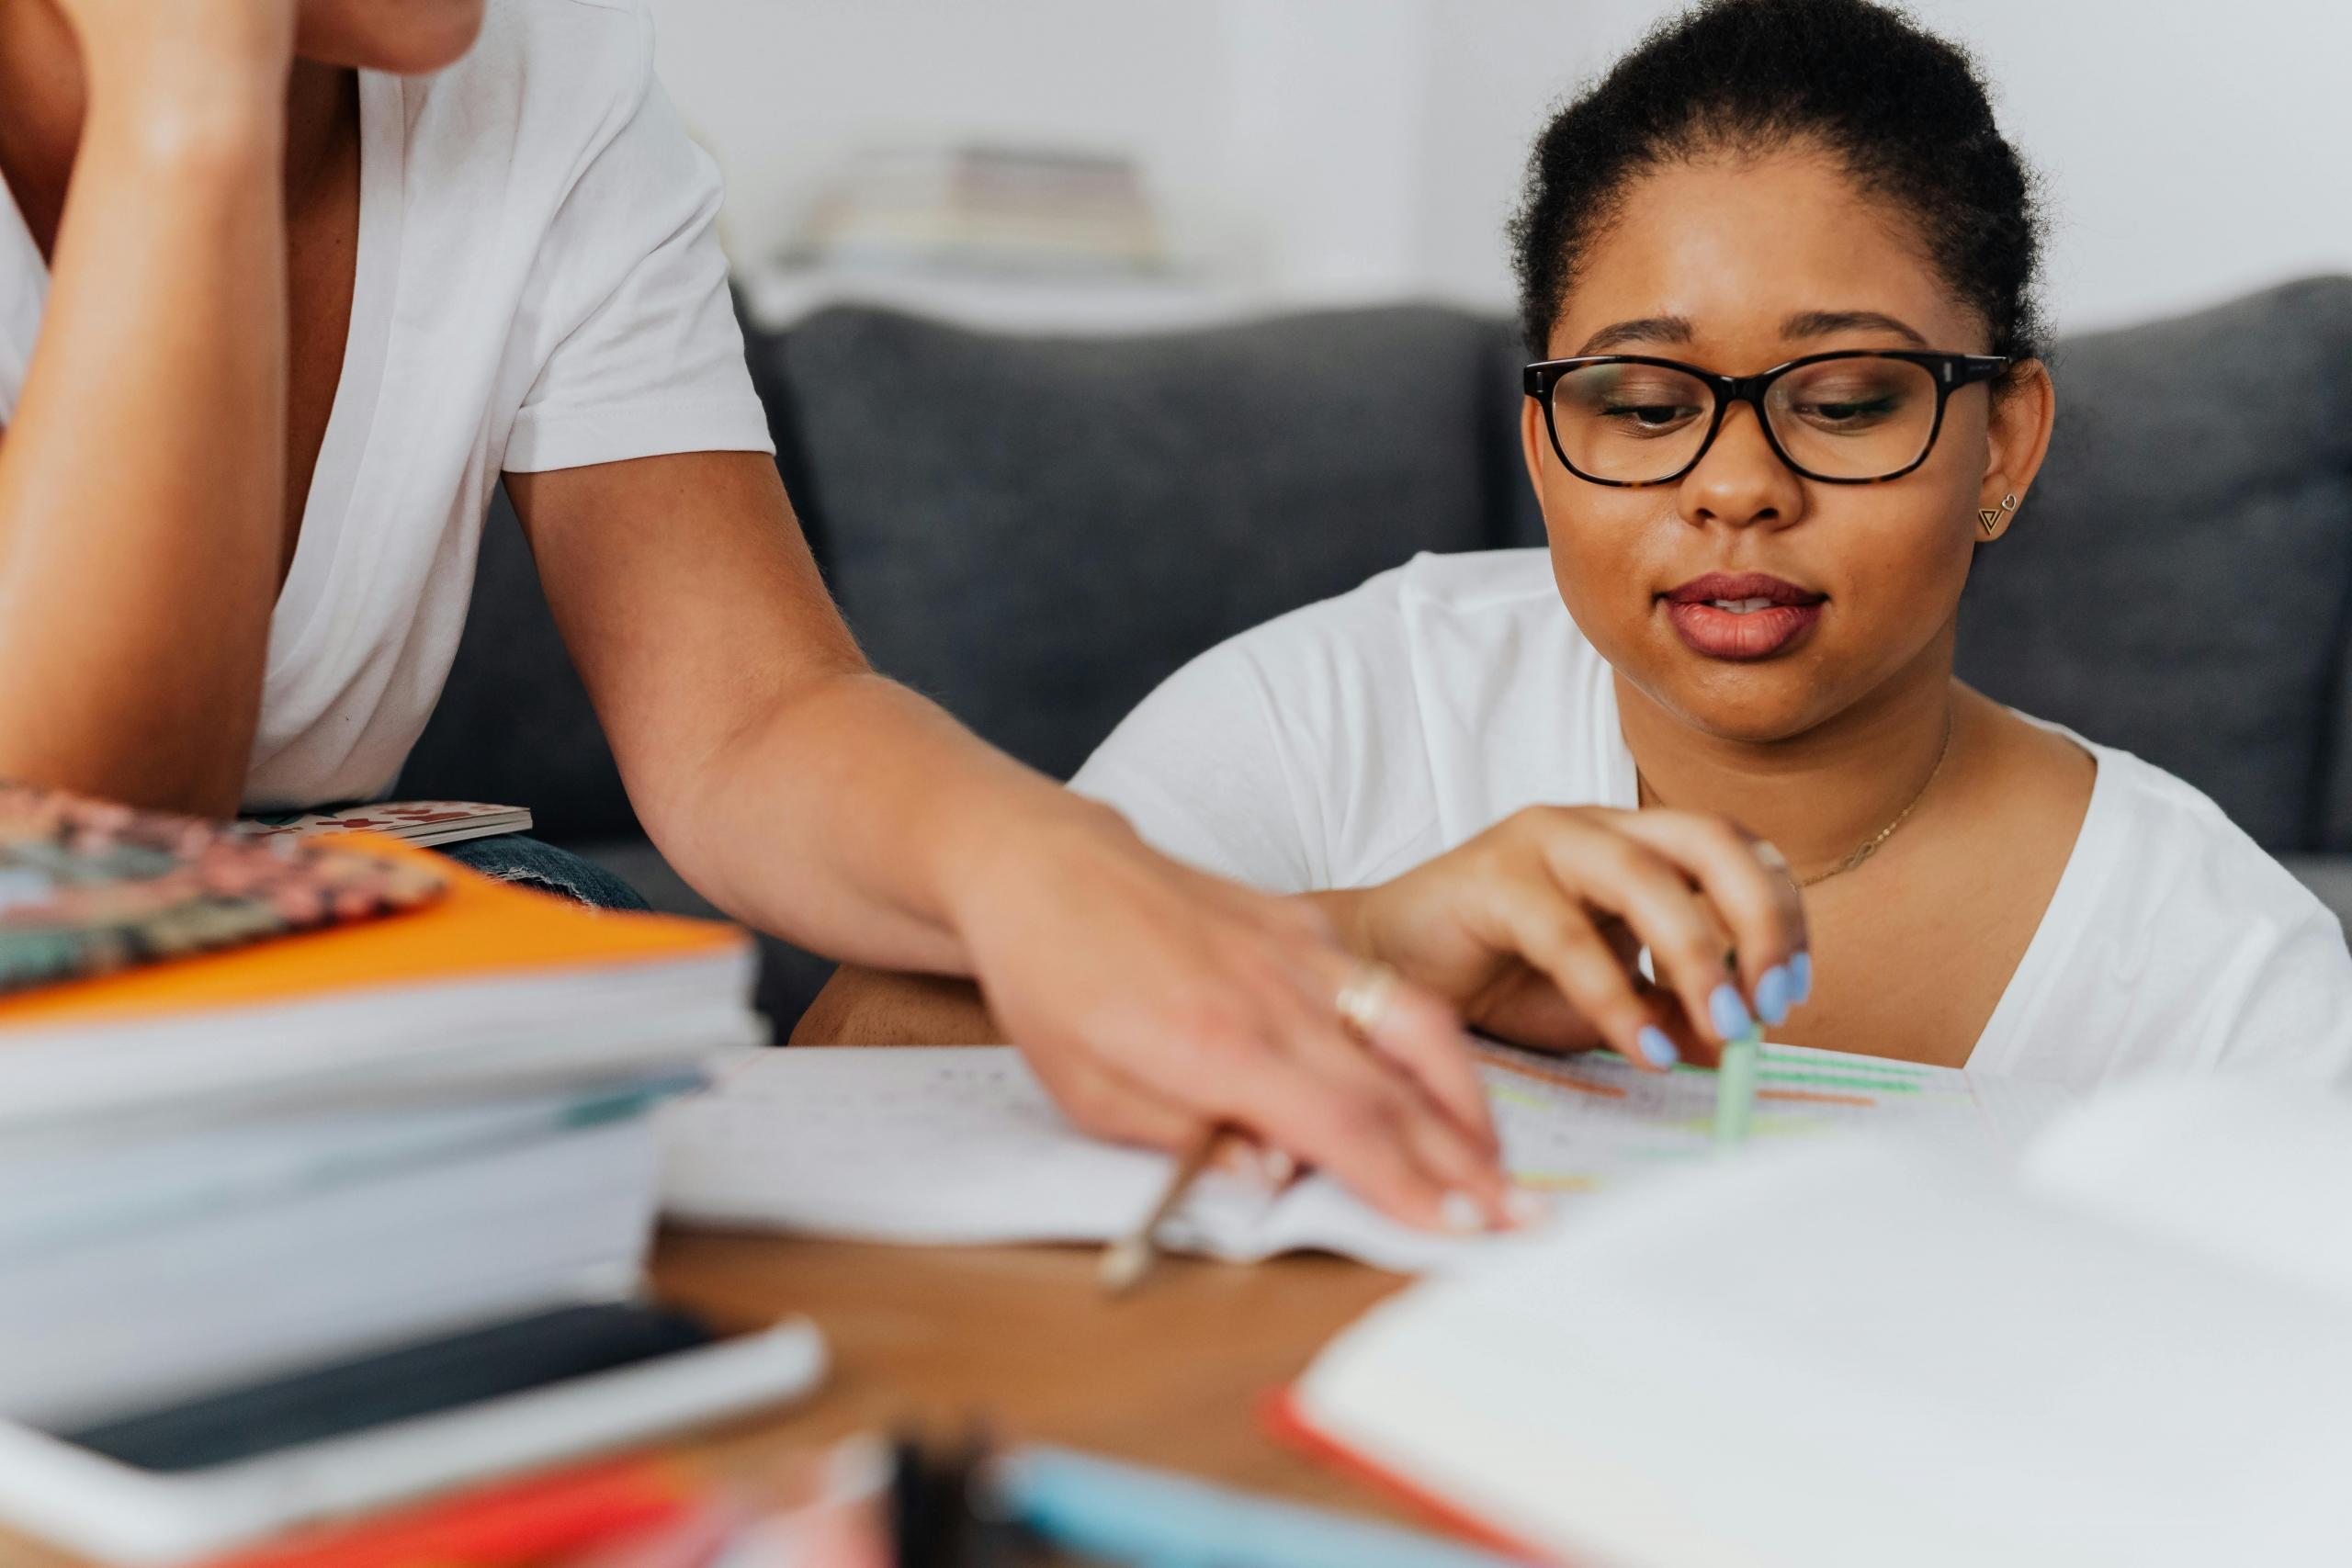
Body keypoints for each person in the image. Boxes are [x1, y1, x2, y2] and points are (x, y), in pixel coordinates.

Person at [0, 0, 1804, 1229]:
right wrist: (188, 108)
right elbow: (71, 831)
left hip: (269, 1117)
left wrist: (1060, 877)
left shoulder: (538, 87)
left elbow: (752, 718)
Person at [808, 0, 2352, 1088]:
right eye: (1640, 398)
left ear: (2003, 440)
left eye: (1844, 398)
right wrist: (1369, 953)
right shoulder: (1350, 714)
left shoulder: (2220, 967)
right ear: (1545, 440)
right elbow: (847, 1063)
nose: (1736, 486)